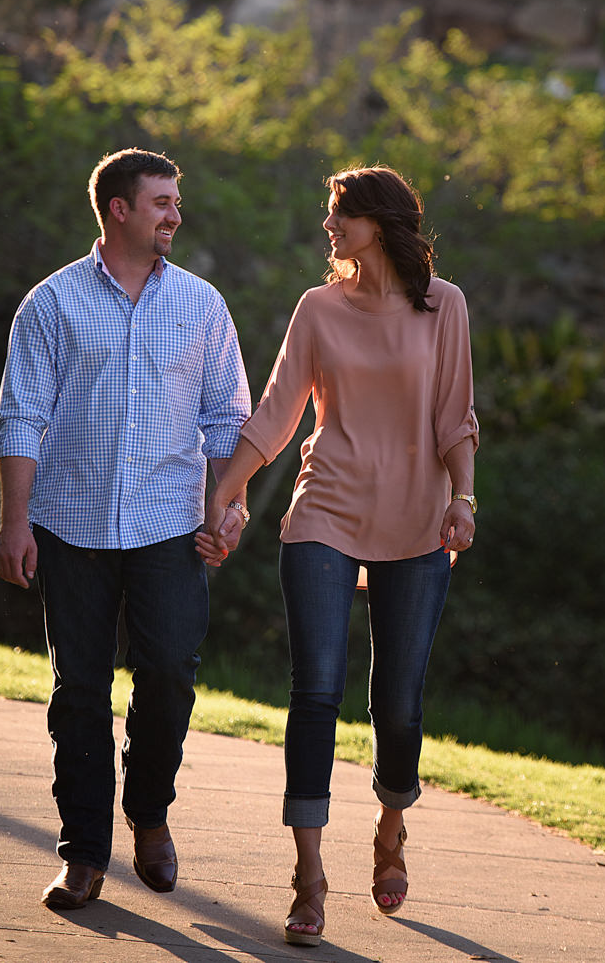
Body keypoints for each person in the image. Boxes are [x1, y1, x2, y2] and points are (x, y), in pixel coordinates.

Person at [196, 164, 478, 948]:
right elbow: (278, 410)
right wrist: (224, 494)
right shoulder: (318, 308)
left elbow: (456, 416)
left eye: (340, 216)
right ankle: (308, 876)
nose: (329, 229)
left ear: (379, 222)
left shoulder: (442, 305)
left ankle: (391, 828)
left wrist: (464, 498)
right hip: (324, 510)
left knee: (398, 699)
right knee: (314, 692)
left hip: (419, 523)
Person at [0, 147, 251, 911]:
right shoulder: (52, 304)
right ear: (120, 211)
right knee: (80, 691)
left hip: (169, 527)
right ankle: (83, 854)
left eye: (176, 202)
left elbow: (227, 416)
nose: (176, 214)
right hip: (70, 528)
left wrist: (226, 505)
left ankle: (149, 813)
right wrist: (15, 521)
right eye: (162, 202)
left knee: (169, 674)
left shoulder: (202, 305)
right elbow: (22, 415)